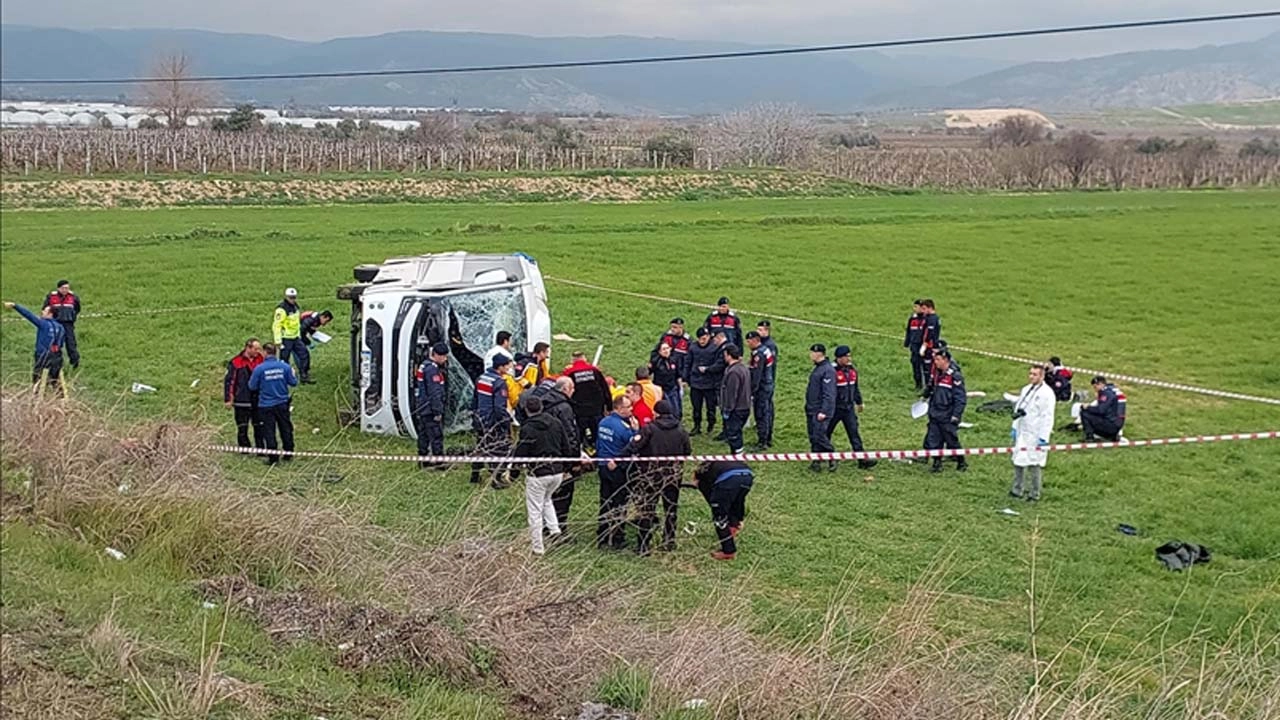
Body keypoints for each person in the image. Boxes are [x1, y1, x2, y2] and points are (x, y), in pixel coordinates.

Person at [631, 399, 692, 555]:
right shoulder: (681, 430)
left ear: (656, 413)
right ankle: (669, 540)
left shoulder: (649, 429)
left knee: (647, 509)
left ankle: (644, 545)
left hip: (651, 475)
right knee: (671, 508)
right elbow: (687, 452)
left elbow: (634, 447)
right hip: (673, 475)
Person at [512, 396, 570, 555]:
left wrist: (513, 473)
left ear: (526, 410)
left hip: (538, 474)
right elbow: (566, 446)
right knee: (547, 500)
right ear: (541, 407)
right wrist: (567, 468)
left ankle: (537, 547)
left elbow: (521, 453)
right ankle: (555, 530)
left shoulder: (527, 429)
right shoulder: (556, 423)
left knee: (535, 511)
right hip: (557, 472)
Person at [539, 376, 583, 529]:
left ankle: (545, 525)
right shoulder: (564, 408)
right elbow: (571, 436)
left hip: (543, 456)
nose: (574, 391)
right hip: (562, 459)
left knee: (545, 496)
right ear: (565, 389)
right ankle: (559, 528)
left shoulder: (543, 402)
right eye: (572, 388)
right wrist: (573, 462)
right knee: (564, 496)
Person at [596, 396, 639, 550]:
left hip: (603, 466)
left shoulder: (603, 422)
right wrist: (636, 431)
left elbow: (599, 443)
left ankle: (602, 535)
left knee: (605, 501)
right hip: (619, 469)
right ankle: (617, 538)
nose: (631, 409)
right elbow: (634, 445)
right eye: (628, 407)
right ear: (619, 408)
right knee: (620, 504)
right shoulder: (623, 428)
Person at [1010, 365, 1056, 502]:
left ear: (1042, 376)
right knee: (1018, 460)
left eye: (1035, 374)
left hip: (1036, 432)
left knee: (1034, 463)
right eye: (1030, 374)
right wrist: (1014, 427)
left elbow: (1047, 416)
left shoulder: (1047, 394)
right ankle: (1017, 489)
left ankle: (1034, 493)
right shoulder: (1026, 389)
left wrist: (1044, 436)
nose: (1031, 376)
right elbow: (1019, 408)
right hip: (1023, 431)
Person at [828, 346, 878, 470]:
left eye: (850, 356)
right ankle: (823, 458)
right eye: (846, 356)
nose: (849, 359)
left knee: (854, 433)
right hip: (834, 408)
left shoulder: (852, 371)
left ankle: (862, 459)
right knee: (826, 433)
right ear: (839, 358)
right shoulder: (831, 371)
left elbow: (855, 388)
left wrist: (859, 402)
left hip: (848, 408)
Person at [248, 343, 298, 465]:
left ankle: (273, 458)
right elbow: (293, 382)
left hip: (266, 405)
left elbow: (252, 386)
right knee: (285, 428)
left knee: (269, 431)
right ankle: (288, 452)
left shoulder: (259, 369)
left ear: (265, 353)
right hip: (282, 403)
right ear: (275, 352)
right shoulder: (284, 367)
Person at [694, 460, 754, 561]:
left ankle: (728, 551)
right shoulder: (717, 463)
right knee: (737, 501)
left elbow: (698, 483)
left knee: (719, 516)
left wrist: (714, 503)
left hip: (728, 479)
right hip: (747, 475)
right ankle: (734, 525)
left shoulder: (702, 472)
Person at [470, 354, 514, 486]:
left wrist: (475, 416)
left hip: (480, 419)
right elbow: (499, 407)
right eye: (507, 365)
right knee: (497, 449)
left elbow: (475, 400)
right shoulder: (499, 383)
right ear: (500, 367)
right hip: (492, 421)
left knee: (480, 446)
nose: (509, 368)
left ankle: (475, 474)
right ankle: (496, 479)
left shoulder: (482, 378)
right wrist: (507, 422)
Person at [4, 301, 66, 394]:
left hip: (43, 356)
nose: (42, 312)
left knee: (37, 377)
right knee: (55, 379)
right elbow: (61, 343)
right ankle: (60, 398)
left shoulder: (43, 324)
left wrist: (15, 306)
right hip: (57, 356)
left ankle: (37, 398)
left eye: (45, 311)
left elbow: (29, 315)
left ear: (50, 314)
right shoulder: (61, 327)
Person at [924, 349, 968, 473]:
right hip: (935, 412)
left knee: (951, 440)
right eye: (935, 359)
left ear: (946, 360)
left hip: (947, 414)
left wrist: (956, 415)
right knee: (934, 439)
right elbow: (931, 387)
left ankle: (961, 461)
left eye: (938, 360)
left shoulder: (954, 376)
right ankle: (937, 463)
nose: (935, 362)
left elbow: (960, 398)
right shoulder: (936, 374)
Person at [413, 342, 450, 469]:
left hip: (423, 407)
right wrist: (438, 411)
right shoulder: (432, 370)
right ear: (437, 355)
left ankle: (423, 460)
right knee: (436, 435)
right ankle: (439, 462)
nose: (445, 359)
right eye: (444, 356)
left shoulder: (424, 365)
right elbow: (435, 393)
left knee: (423, 435)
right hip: (430, 409)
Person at [224, 338, 264, 449]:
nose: (258, 351)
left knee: (259, 426)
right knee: (242, 426)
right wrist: (228, 398)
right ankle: (244, 447)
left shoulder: (261, 360)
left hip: (257, 400)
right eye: (256, 349)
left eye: (259, 349)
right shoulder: (236, 362)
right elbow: (230, 381)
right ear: (248, 348)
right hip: (241, 399)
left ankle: (260, 448)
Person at [564, 351, 611, 447]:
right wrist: (609, 406)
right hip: (596, 410)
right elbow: (605, 389)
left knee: (579, 437)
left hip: (579, 411)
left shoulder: (569, 373)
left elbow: (564, 391)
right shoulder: (595, 371)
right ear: (584, 358)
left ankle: (580, 455)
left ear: (572, 360)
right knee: (598, 436)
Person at [805, 344, 838, 472]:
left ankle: (832, 457)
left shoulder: (827, 370)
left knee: (819, 435)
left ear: (819, 354)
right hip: (812, 408)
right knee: (813, 436)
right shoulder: (818, 368)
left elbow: (829, 393)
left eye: (812, 353)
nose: (810, 355)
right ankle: (816, 461)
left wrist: (824, 411)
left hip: (819, 410)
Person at [687, 328, 724, 436]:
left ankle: (711, 424)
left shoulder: (715, 347)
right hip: (695, 382)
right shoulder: (693, 347)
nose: (703, 341)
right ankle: (697, 425)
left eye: (705, 338)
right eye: (701, 339)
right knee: (696, 407)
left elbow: (718, 363)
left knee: (711, 407)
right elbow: (688, 362)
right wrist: (686, 378)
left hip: (710, 383)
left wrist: (709, 369)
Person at [746, 331, 776, 450]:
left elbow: (757, 375)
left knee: (761, 414)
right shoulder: (765, 350)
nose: (747, 344)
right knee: (767, 412)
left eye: (749, 342)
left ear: (755, 340)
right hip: (768, 385)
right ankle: (767, 438)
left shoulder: (759, 354)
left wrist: (752, 390)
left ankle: (762, 441)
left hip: (762, 388)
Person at [719, 344, 751, 455]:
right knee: (737, 433)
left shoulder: (733, 372)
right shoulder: (743, 368)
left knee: (734, 435)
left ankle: (738, 456)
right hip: (745, 406)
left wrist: (727, 409)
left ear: (728, 355)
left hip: (736, 409)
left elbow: (732, 393)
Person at [43, 280, 81, 370]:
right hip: (55, 323)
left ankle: (75, 362)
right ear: (58, 288)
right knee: (55, 344)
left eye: (67, 288)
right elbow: (45, 309)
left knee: (71, 344)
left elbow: (77, 309)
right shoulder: (51, 297)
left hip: (68, 323)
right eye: (63, 288)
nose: (65, 290)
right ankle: (55, 363)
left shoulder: (73, 297)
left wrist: (72, 317)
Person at [1078, 376, 1127, 442]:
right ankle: (1112, 436)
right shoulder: (1113, 390)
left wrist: (1087, 407)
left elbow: (1101, 410)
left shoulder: (1106, 393)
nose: (1095, 390)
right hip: (1117, 424)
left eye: (1095, 387)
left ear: (1101, 384)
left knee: (1085, 413)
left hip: (1111, 425)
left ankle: (1090, 438)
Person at [295, 309, 333, 384]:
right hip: (294, 335)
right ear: (323, 317)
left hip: (296, 334)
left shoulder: (317, 320)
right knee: (302, 355)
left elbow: (309, 329)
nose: (325, 324)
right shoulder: (312, 319)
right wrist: (308, 342)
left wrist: (315, 335)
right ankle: (303, 375)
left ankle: (304, 374)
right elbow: (302, 330)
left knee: (303, 356)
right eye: (326, 321)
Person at [272, 288, 304, 372]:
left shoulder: (295, 306)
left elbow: (296, 322)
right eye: (291, 297)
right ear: (286, 297)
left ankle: (304, 375)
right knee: (285, 359)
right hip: (285, 338)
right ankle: (285, 377)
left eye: (294, 297)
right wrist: (278, 340)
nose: (293, 299)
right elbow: (277, 325)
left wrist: (298, 334)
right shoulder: (281, 309)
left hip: (296, 337)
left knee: (304, 354)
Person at [649, 343, 683, 420]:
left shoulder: (674, 360)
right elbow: (649, 373)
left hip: (672, 388)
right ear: (659, 351)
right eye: (663, 349)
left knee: (676, 409)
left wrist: (680, 387)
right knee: (666, 409)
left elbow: (678, 375)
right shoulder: (656, 362)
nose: (666, 351)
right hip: (662, 390)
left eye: (667, 348)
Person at [904, 299, 928, 390]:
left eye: (916, 307)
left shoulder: (926, 319)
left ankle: (927, 386)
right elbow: (909, 331)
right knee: (915, 364)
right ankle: (918, 384)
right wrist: (907, 342)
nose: (915, 309)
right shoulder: (912, 318)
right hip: (914, 345)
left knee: (925, 366)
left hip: (923, 346)